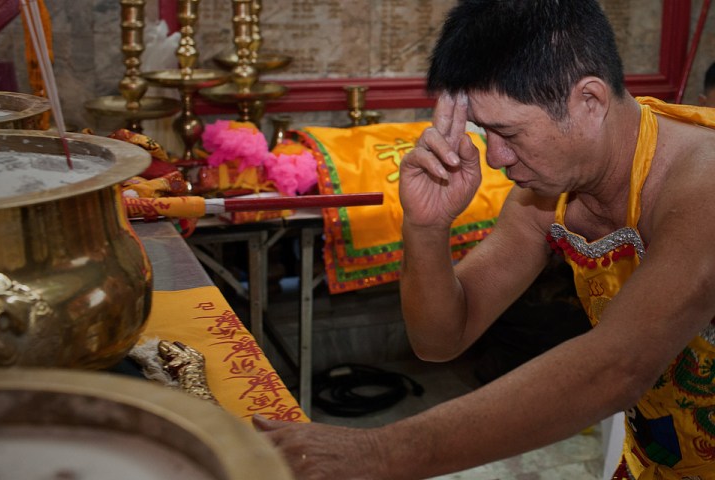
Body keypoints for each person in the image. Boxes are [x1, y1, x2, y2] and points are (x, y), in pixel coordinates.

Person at [253, 1, 715, 478]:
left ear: (590, 102)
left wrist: (381, 453)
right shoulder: (545, 195)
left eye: (508, 132)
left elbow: (618, 367)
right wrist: (427, 227)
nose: (494, 157)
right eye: (484, 131)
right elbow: (440, 339)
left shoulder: (704, 181)